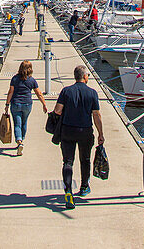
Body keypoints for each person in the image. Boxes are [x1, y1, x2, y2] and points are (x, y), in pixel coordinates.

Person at [52, 65, 105, 209]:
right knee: (85, 159)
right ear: (85, 77)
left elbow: (57, 110)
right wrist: (100, 134)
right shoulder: (92, 93)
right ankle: (83, 187)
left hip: (68, 130)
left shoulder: (66, 91)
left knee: (67, 161)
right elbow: (96, 115)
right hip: (85, 131)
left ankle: (68, 190)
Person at [5, 60, 48, 156]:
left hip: (16, 104)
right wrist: (44, 104)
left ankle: (19, 141)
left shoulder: (15, 79)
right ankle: (22, 140)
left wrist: (7, 104)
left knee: (17, 124)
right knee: (24, 122)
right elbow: (39, 93)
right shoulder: (32, 80)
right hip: (27, 104)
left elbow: (10, 92)